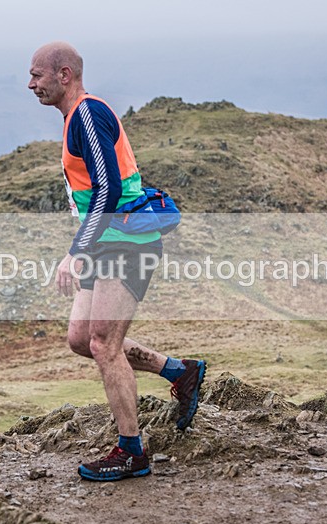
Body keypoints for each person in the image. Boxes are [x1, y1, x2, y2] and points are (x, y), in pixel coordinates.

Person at [28, 41, 207, 482]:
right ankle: (178, 371)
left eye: (37, 75)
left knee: (105, 344)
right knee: (79, 338)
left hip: (128, 242)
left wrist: (76, 253)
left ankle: (132, 451)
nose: (30, 84)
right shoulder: (76, 119)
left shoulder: (87, 115)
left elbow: (107, 192)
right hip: (109, 243)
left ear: (64, 74)